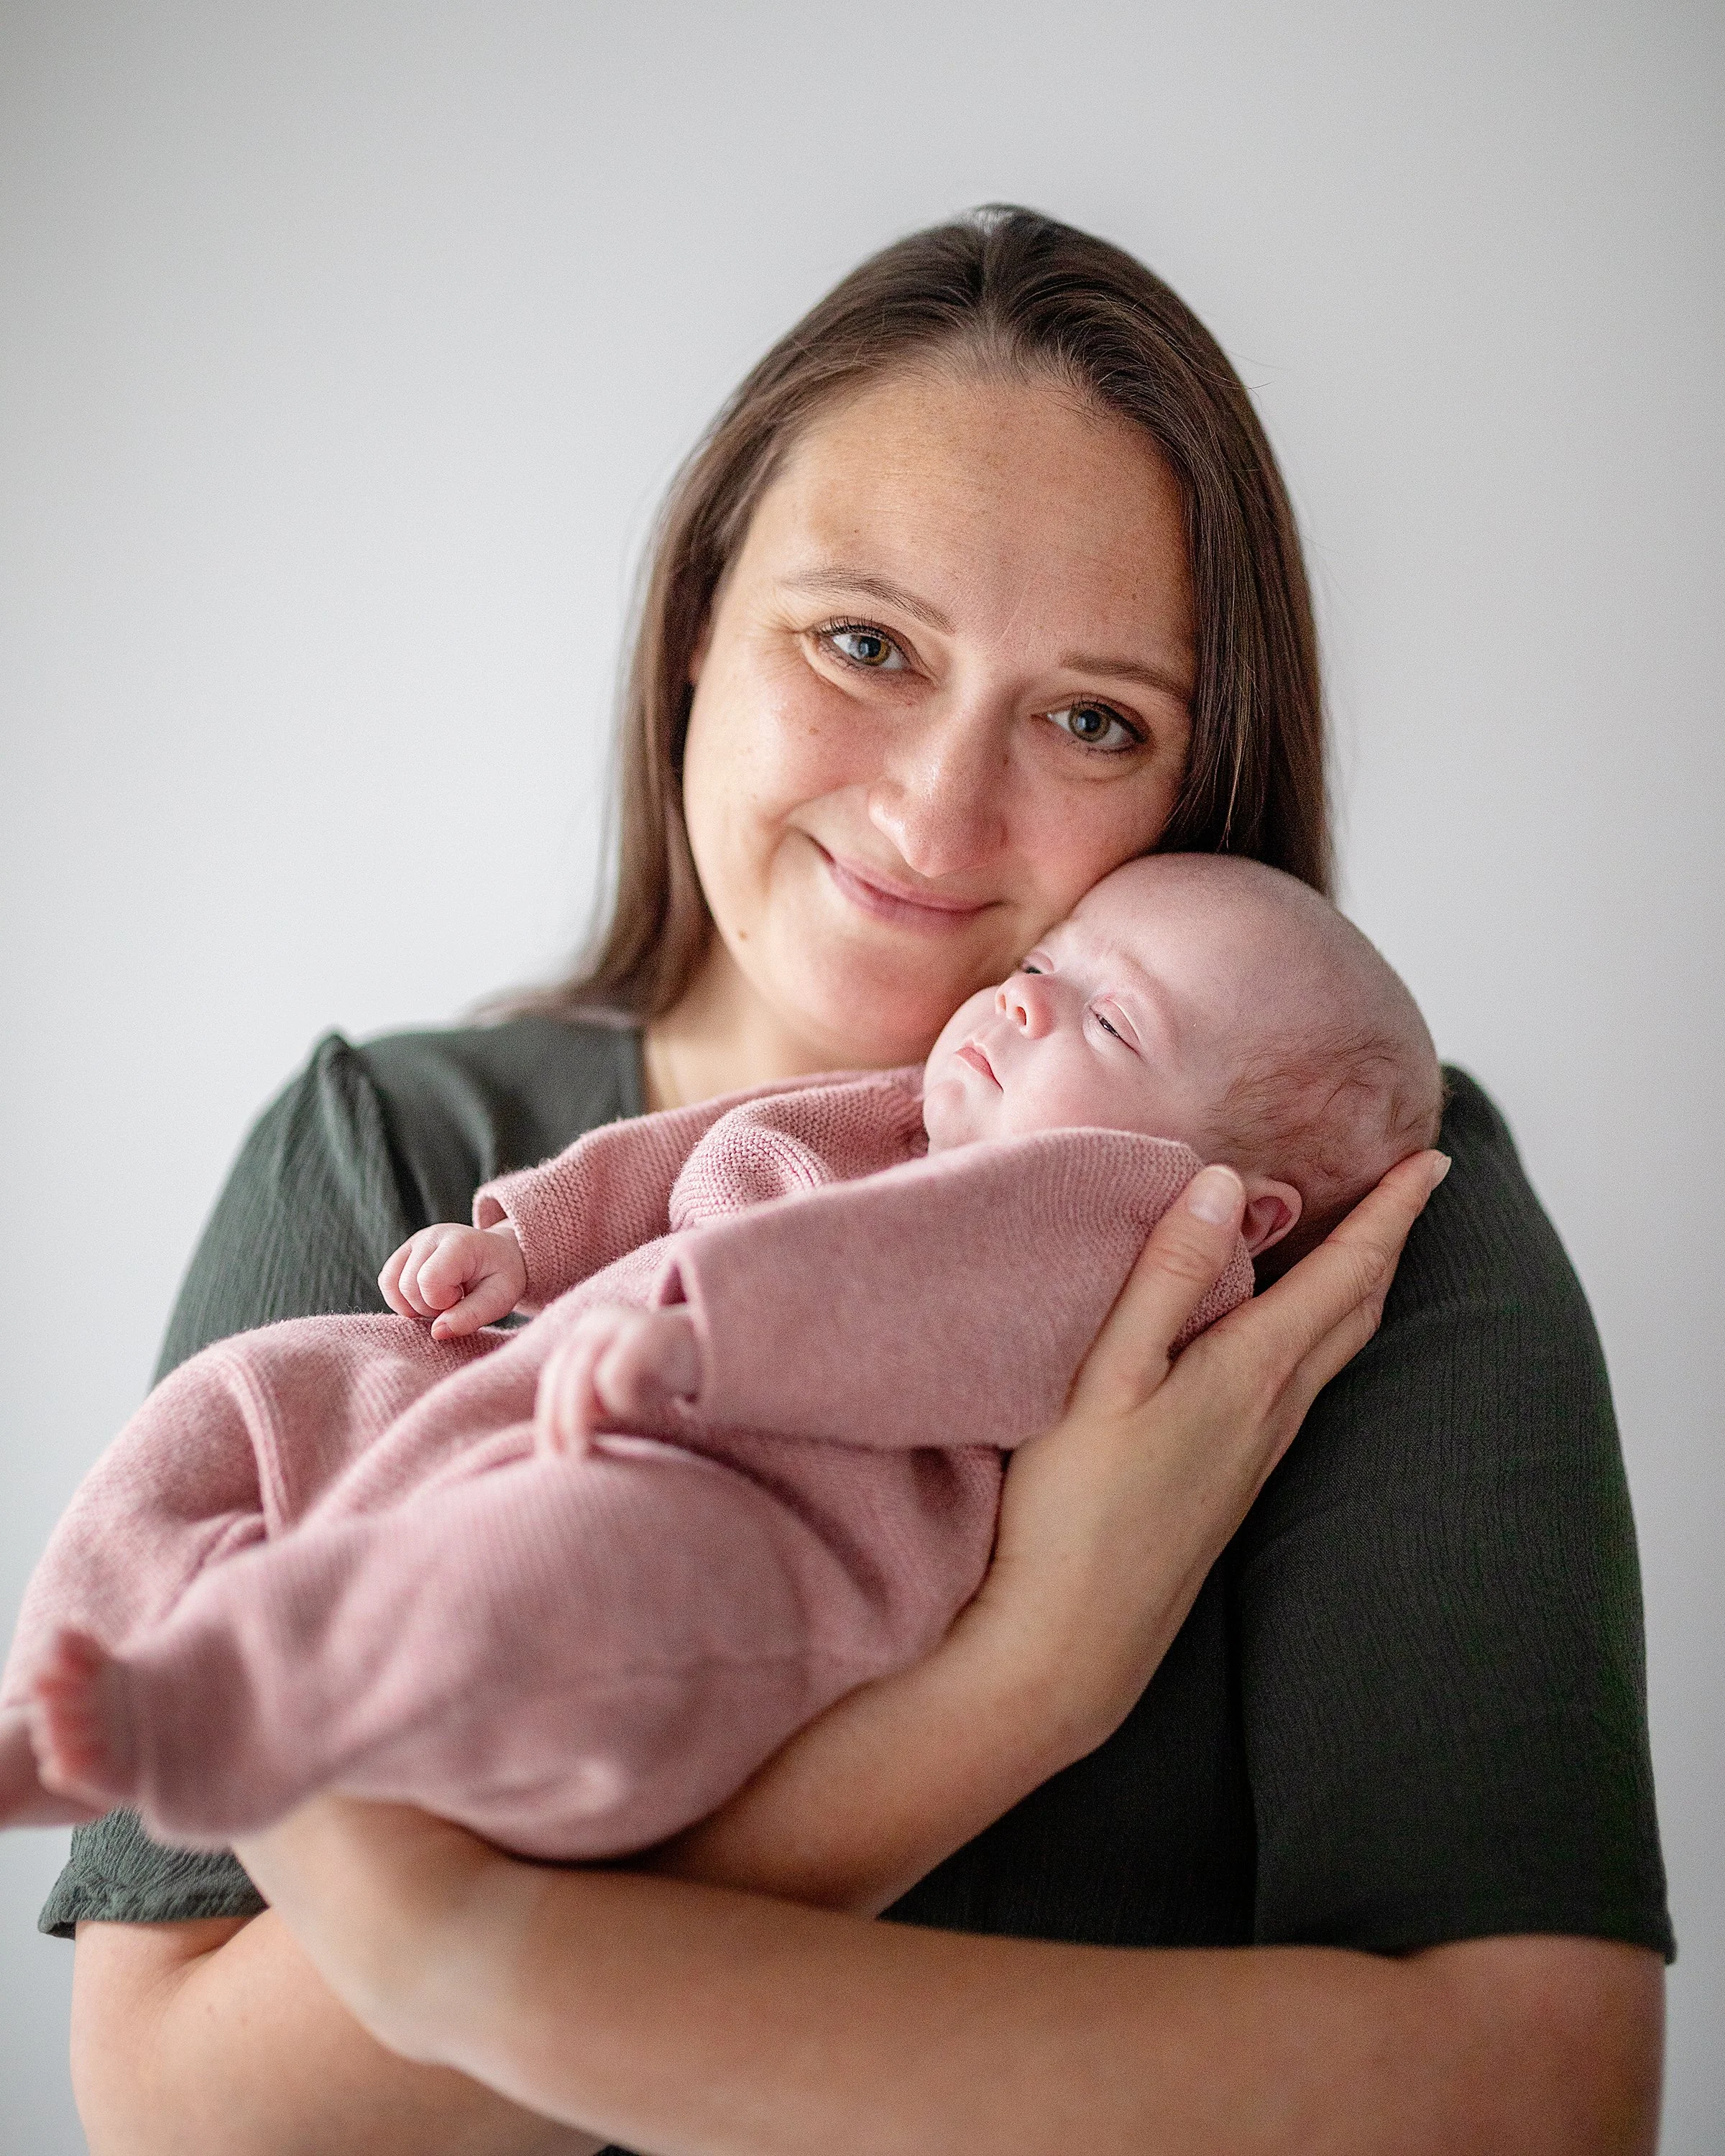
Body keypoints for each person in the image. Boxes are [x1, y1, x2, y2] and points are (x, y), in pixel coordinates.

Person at [50, 208, 1670, 2156]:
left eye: (1093, 718)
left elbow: (1536, 2100)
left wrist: (477, 1969)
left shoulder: (1350, 1228)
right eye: (864, 643)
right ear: (693, 638)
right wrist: (1010, 1691)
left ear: (1198, 783)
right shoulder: (392, 1153)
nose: (933, 814)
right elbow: (185, 2112)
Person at [6, 854, 1440, 1859]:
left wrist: (712, 1347)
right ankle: (78, 1660)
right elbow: (687, 1155)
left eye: (1112, 1018)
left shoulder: (1121, 1228)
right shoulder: (900, 1112)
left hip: (750, 1524)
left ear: (1241, 1204)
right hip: (557, 1385)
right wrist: (525, 1243)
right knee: (268, 1386)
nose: (1022, 1003)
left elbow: (923, 1312)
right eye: (1041, 968)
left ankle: (206, 1708)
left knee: (533, 1586)